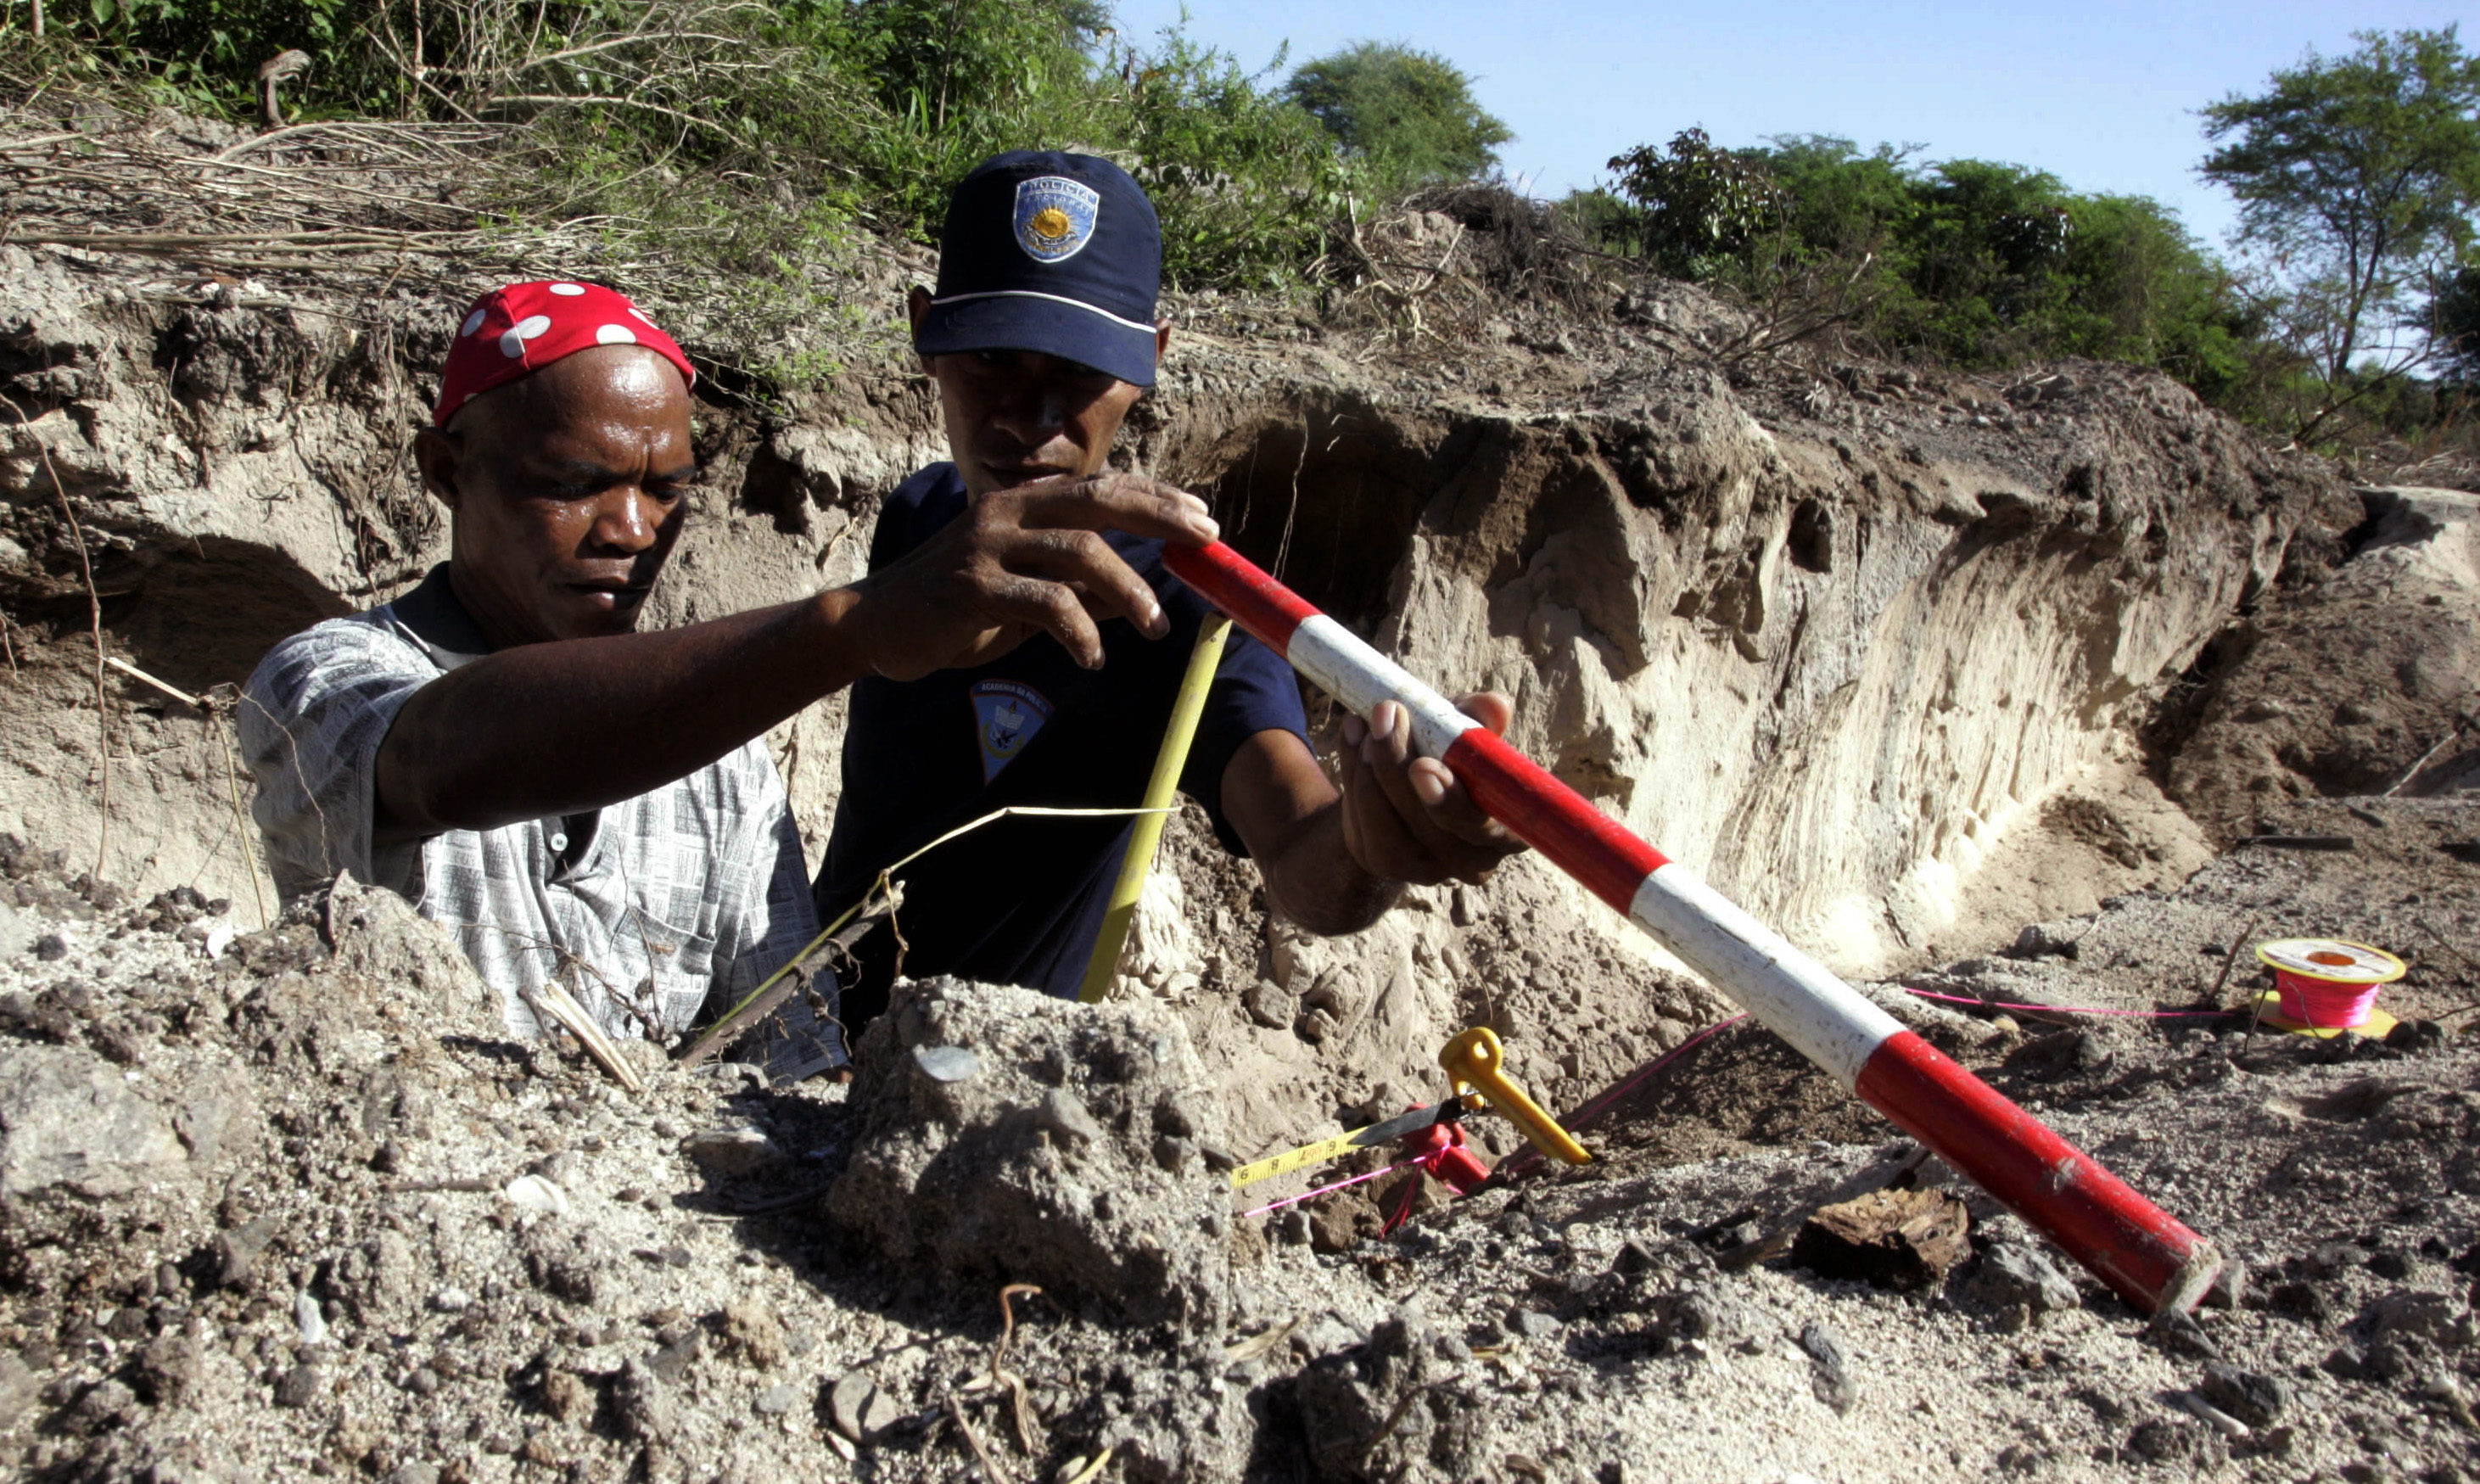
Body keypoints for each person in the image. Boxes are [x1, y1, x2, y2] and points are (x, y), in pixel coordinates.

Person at [811, 150, 1525, 1027]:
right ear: (926, 334)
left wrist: (1367, 844)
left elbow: (1301, 850)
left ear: (1149, 360)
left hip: (974, 1097)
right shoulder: (918, 514)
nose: (1028, 419)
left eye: (1076, 371)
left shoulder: (1182, 613)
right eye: (992, 356)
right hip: (791, 1021)